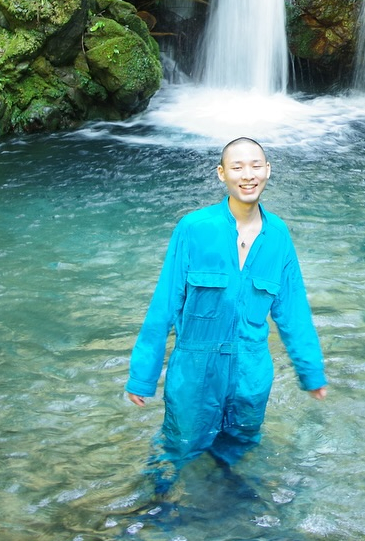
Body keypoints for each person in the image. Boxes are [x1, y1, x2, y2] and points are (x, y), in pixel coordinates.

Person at [126, 138, 327, 468]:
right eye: (237, 167)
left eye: (255, 166)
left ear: (268, 171)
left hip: (251, 374)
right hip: (194, 372)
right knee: (178, 450)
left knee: (240, 450)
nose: (248, 175)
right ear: (222, 174)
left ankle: (230, 514)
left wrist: (311, 372)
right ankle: (161, 512)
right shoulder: (193, 228)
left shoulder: (278, 236)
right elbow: (164, 304)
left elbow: (294, 312)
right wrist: (142, 377)